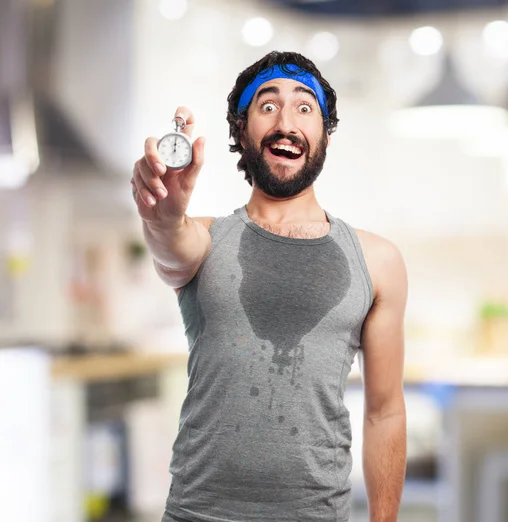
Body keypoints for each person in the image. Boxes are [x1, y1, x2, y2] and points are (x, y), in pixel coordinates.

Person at [131, 51, 408, 522]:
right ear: (242, 131)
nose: (286, 122)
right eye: (267, 106)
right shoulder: (202, 241)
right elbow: (170, 242)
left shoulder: (377, 262)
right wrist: (162, 214)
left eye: (305, 107)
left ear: (324, 133)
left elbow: (385, 413)